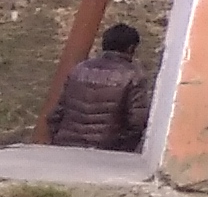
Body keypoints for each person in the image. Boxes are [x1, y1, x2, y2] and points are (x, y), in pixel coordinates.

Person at [43, 22, 151, 153]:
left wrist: (57, 139)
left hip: (66, 147)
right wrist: (121, 149)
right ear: (131, 48)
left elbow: (56, 114)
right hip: (105, 153)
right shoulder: (134, 76)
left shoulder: (79, 69)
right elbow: (137, 122)